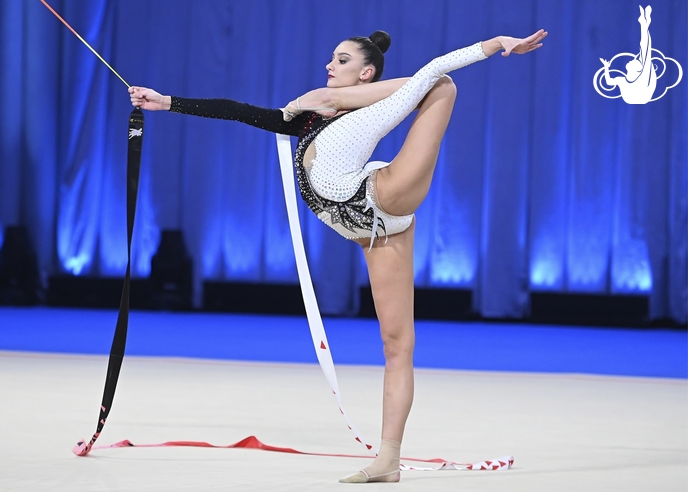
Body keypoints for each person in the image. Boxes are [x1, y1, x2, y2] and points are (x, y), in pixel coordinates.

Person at [129, 28, 547, 483]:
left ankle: (387, 455)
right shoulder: (307, 118)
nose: (330, 65)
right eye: (331, 59)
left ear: (365, 73)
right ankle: (387, 464)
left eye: (342, 60)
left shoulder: (373, 110)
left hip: (383, 197)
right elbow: (237, 112)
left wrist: (497, 43)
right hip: (372, 232)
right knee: (394, 345)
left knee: (441, 87)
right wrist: (167, 102)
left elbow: (434, 74)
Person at [600, 5, 656, 104]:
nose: (632, 59)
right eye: (635, 60)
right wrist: (606, 67)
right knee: (645, 52)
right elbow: (609, 82)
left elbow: (646, 49)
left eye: (635, 61)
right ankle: (644, 24)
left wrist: (644, 25)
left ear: (637, 69)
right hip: (637, 96)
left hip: (641, 95)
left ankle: (644, 23)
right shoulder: (623, 80)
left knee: (645, 51)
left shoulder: (641, 77)